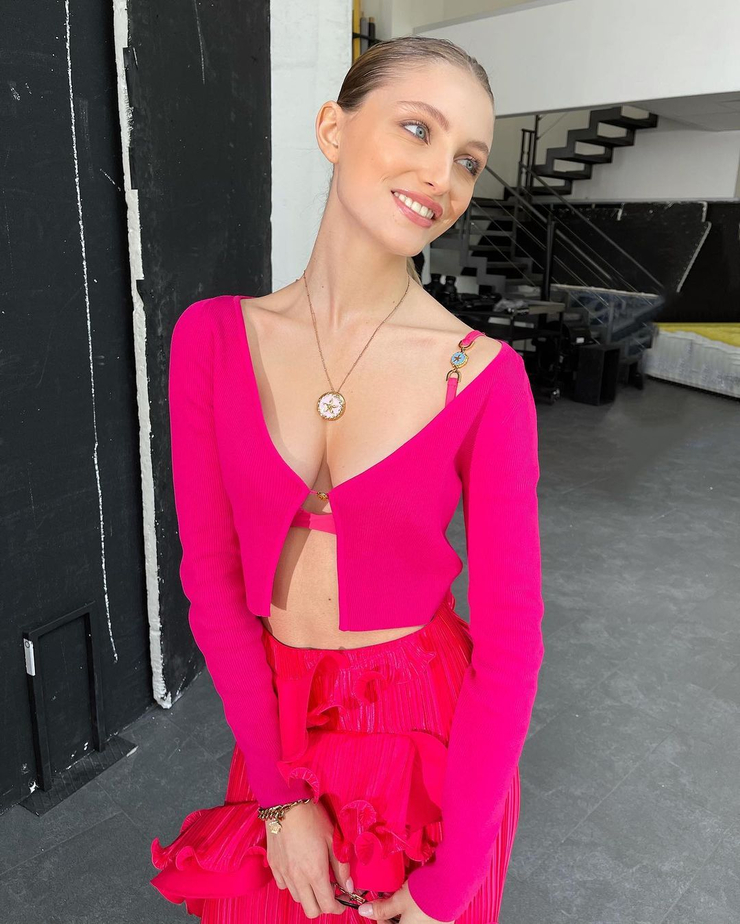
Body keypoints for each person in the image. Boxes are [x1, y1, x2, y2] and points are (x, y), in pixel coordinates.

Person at [150, 34, 545, 924]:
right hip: (279, 724)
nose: (441, 176)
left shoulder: (484, 377)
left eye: (468, 160)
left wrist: (450, 881)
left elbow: (512, 643)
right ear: (334, 127)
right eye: (418, 128)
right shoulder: (213, 338)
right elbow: (209, 578)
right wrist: (279, 799)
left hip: (421, 730)